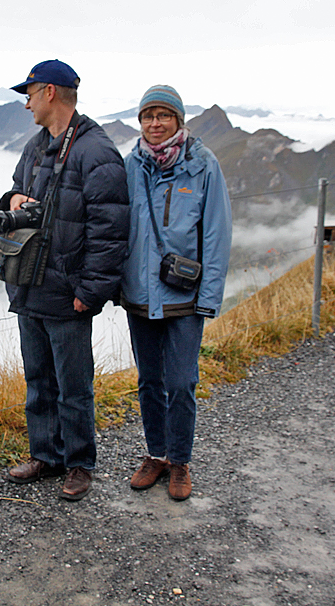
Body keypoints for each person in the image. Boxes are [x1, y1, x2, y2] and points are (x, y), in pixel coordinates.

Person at [0, 59, 129, 501]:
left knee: (74, 386)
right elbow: (15, 192)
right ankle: (46, 454)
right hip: (31, 283)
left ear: (50, 92)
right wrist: (10, 197)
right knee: (38, 379)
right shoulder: (36, 146)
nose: (27, 103)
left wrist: (90, 293)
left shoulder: (96, 151)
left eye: (30, 94)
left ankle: (79, 464)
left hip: (67, 293)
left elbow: (111, 230)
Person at [120, 85, 232, 501]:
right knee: (149, 380)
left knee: (182, 382)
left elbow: (218, 233)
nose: (155, 124)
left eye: (163, 115)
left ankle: (180, 460)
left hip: (184, 295)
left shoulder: (202, 165)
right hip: (139, 293)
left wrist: (209, 297)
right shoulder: (131, 164)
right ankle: (156, 454)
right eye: (148, 116)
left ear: (178, 120)